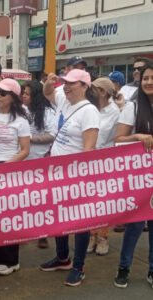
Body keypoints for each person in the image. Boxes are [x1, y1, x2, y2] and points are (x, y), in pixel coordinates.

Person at [40, 69, 100, 287]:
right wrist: (50, 81)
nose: (66, 86)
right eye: (65, 82)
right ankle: (63, 258)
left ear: (85, 86)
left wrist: (78, 178)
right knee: (60, 217)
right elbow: (47, 93)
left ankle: (79, 266)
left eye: (72, 83)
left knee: (80, 222)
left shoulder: (89, 112)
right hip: (57, 173)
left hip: (76, 177)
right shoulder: (65, 101)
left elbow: (89, 148)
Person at [0, 78, 30, 275]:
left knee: (8, 217)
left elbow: (25, 150)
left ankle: (11, 260)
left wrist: (6, 166)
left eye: (2, 93)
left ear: (13, 98)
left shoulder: (21, 121)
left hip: (9, 170)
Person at [113, 61, 153, 289]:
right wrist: (138, 136)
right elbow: (118, 139)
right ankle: (124, 268)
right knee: (135, 226)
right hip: (139, 178)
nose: (149, 82)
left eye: (152, 78)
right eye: (146, 78)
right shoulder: (133, 107)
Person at [87, 78, 120, 255]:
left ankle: (103, 238)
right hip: (88, 160)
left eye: (93, 89)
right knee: (90, 201)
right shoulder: (89, 108)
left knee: (104, 202)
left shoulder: (115, 112)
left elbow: (116, 138)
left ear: (103, 92)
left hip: (106, 162)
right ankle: (92, 235)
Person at [21, 80, 55, 249]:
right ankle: (24, 232)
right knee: (23, 199)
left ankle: (43, 234)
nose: (23, 96)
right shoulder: (22, 111)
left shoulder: (48, 112)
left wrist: (29, 138)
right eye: (23, 93)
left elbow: (52, 135)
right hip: (23, 160)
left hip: (41, 161)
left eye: (27, 94)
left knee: (41, 200)